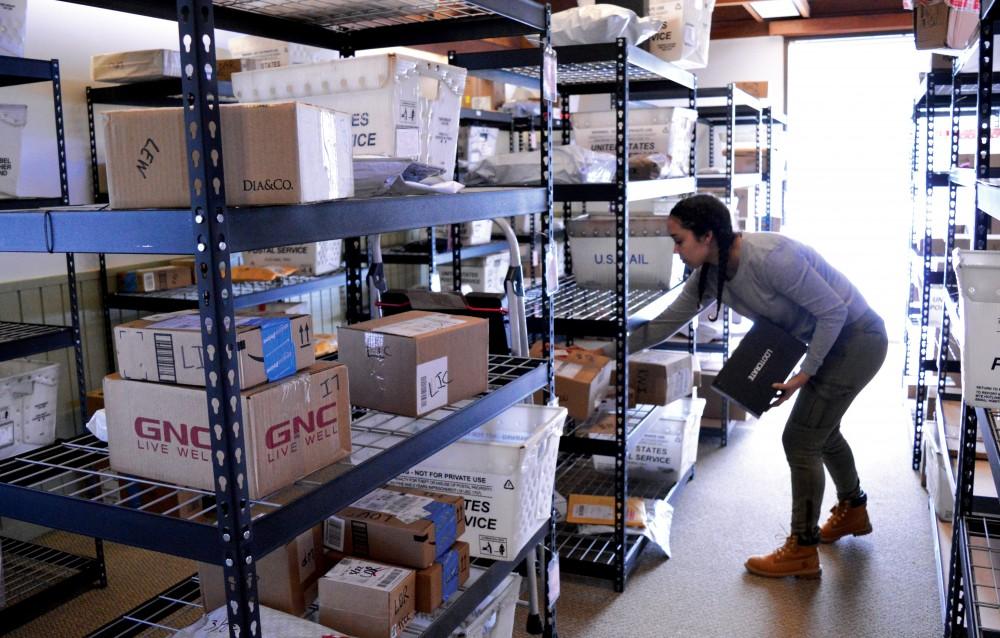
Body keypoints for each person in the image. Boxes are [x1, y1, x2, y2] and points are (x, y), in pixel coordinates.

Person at [630, 194, 887, 579]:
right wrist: (604, 350)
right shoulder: (710, 274)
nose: (675, 250)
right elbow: (666, 323)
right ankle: (854, 508)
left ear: (707, 236)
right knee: (821, 430)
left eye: (679, 240)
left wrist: (806, 372)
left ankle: (802, 548)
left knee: (801, 439)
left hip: (856, 339)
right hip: (830, 340)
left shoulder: (770, 257)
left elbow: (833, 311)